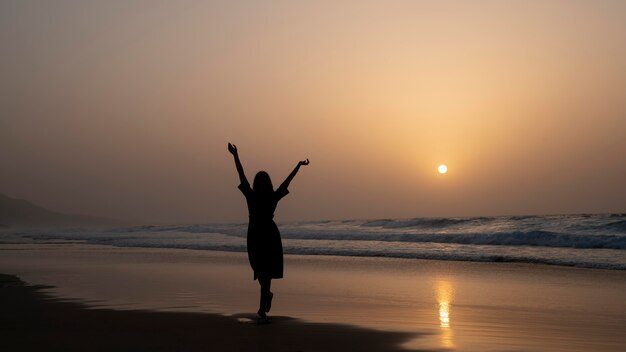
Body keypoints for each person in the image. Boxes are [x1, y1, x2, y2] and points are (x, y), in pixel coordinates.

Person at [227, 142, 309, 321]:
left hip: (270, 236)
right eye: (260, 179)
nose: (263, 181)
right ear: (257, 183)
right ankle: (267, 296)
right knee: (260, 271)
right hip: (255, 235)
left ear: (268, 182)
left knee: (266, 272)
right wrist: (235, 156)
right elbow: (241, 175)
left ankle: (262, 309)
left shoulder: (273, 196)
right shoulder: (251, 194)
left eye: (266, 179)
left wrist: (298, 166)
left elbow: (287, 181)